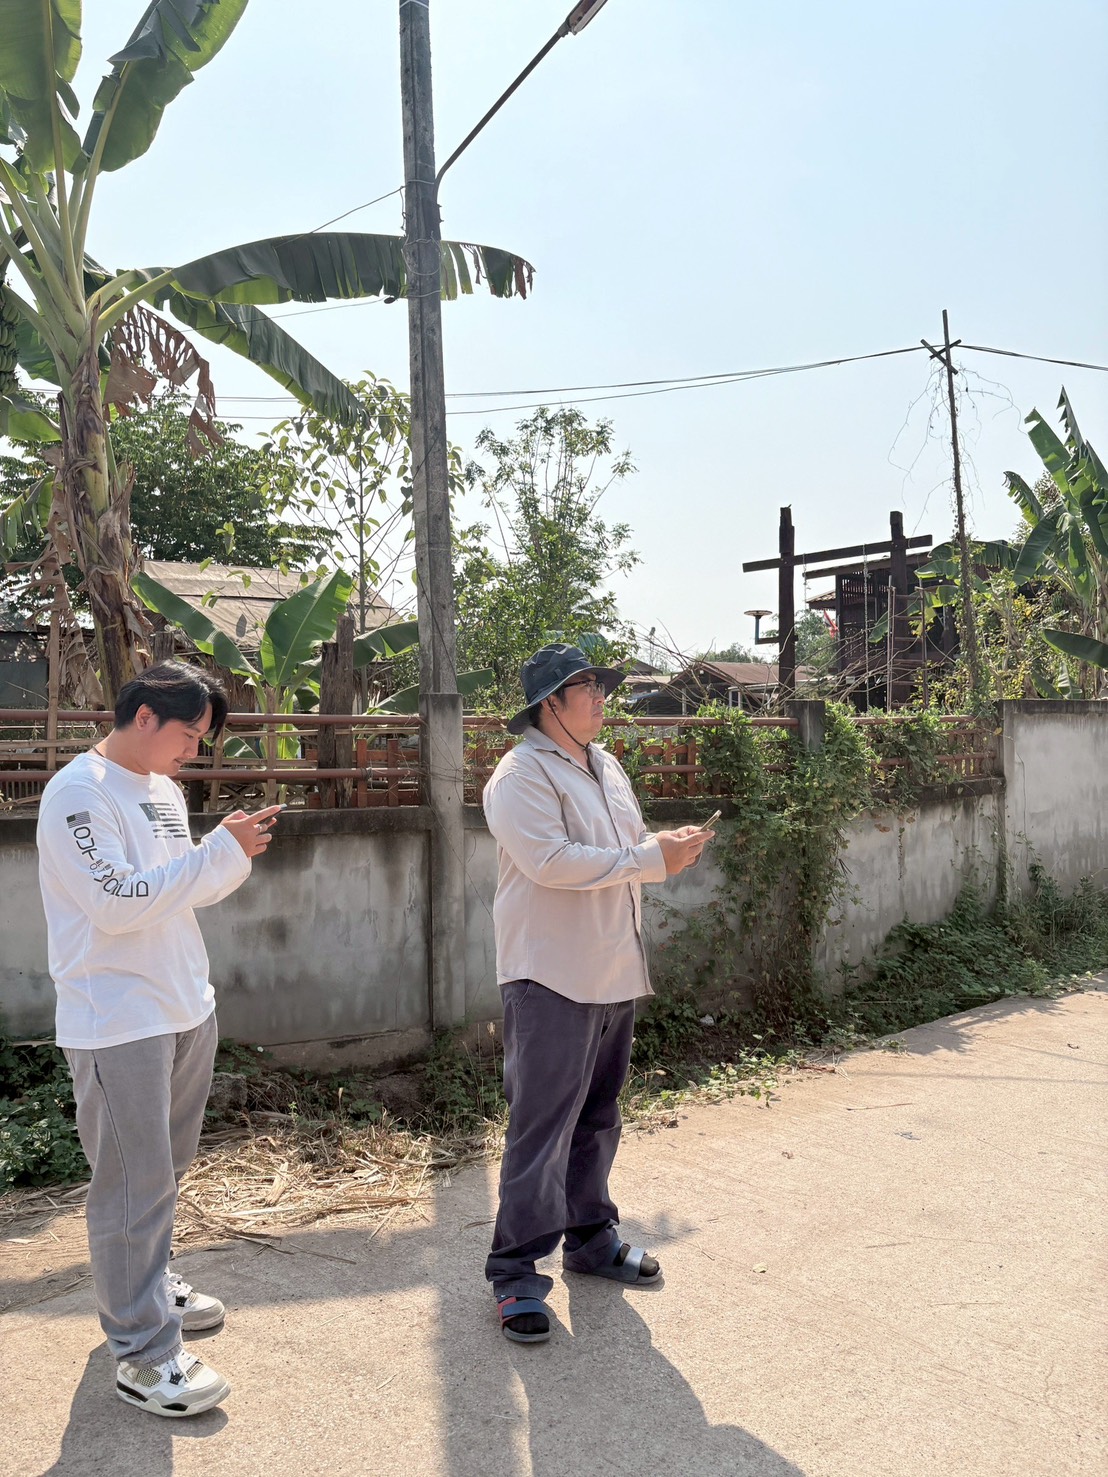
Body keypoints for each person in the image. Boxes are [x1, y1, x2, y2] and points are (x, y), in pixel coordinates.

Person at [36, 661, 282, 1417]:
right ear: (143, 716)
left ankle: (147, 1281)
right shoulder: (78, 793)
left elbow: (181, 883)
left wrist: (220, 851)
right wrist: (217, 854)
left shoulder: (165, 791)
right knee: (129, 1185)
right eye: (187, 735)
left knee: (164, 1171)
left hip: (181, 1005)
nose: (192, 754)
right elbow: (114, 902)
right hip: (118, 1019)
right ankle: (142, 1351)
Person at [482, 643, 713, 1343]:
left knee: (599, 1116)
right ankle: (516, 1272)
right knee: (541, 1127)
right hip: (551, 976)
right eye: (585, 687)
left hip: (612, 970)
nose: (601, 696)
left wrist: (663, 844)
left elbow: (626, 847)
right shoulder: (519, 774)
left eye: (601, 685)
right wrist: (650, 858)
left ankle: (590, 1238)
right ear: (548, 703)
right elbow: (550, 863)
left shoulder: (605, 766)